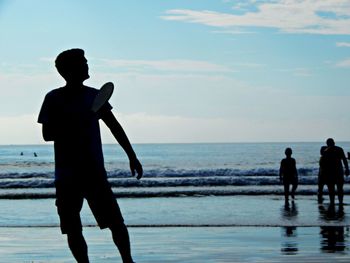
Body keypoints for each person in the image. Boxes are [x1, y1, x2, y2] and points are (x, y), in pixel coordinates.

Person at [38, 48, 143, 263]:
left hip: (94, 172)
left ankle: (128, 262)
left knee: (116, 223)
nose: (87, 65)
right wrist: (76, 122)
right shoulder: (53, 98)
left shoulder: (95, 96)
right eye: (83, 62)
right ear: (69, 69)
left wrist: (132, 156)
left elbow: (115, 127)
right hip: (67, 176)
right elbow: (47, 134)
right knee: (72, 228)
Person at [322, 138, 349, 206]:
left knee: (331, 189)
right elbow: (344, 160)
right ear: (334, 142)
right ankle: (340, 202)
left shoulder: (326, 151)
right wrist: (347, 169)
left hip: (330, 172)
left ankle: (332, 202)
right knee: (339, 188)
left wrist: (323, 174)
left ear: (327, 144)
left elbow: (323, 164)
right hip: (338, 171)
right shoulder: (339, 149)